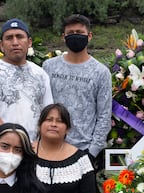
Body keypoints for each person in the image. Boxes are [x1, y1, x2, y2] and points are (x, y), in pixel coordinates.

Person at [42, 14, 112, 164]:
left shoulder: (101, 72)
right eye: (71, 33)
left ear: (89, 36)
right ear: (63, 37)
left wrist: (92, 152)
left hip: (83, 151)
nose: (75, 36)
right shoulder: (49, 66)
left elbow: (104, 115)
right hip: (50, 147)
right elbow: (42, 105)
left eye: (79, 33)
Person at [33, 103, 99, 193]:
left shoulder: (81, 159)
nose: (54, 124)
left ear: (67, 129)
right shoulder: (26, 155)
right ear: (39, 125)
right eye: (49, 120)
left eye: (60, 121)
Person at [0, 18, 53, 140]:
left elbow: (49, 113)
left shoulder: (40, 74)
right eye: (9, 38)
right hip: (4, 147)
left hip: (36, 149)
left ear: (29, 42)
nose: (15, 42)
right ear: (1, 45)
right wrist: (13, 140)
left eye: (19, 36)